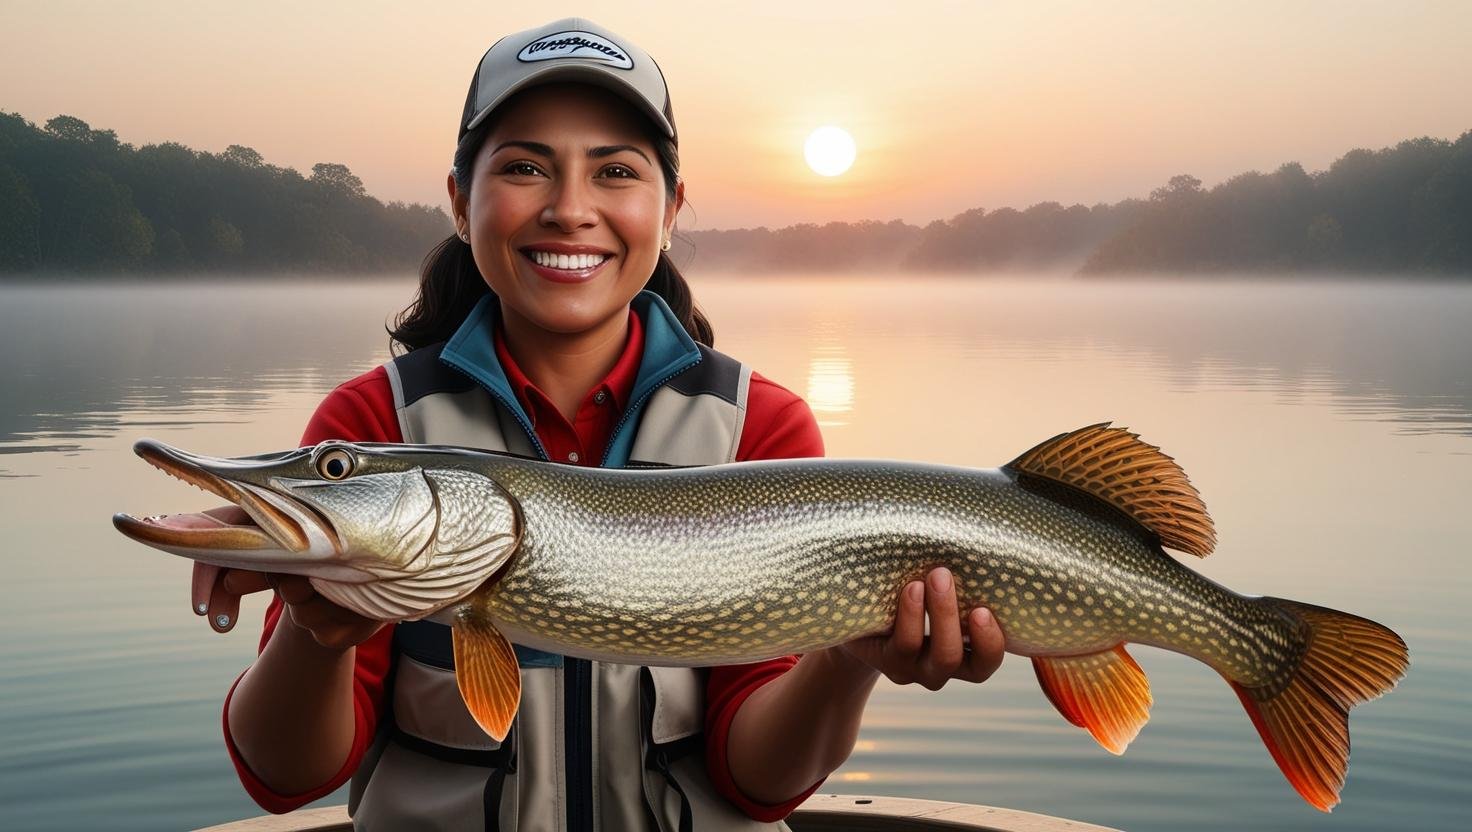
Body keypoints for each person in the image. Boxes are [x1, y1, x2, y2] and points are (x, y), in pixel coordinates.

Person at [193, 17, 1007, 832]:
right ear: (459, 200)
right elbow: (286, 776)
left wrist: (845, 661)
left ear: (671, 206)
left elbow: (758, 781)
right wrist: (315, 632)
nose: (570, 209)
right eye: (523, 167)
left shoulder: (761, 425)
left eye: (615, 171)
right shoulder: (372, 423)